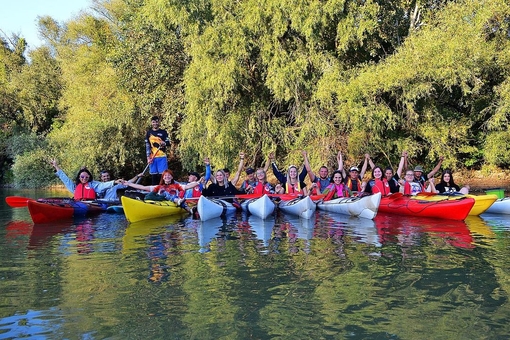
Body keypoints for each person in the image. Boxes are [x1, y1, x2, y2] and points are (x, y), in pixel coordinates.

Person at [122, 169, 200, 212]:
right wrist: (128, 184)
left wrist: (198, 182)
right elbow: (143, 187)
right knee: (153, 193)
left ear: (172, 177)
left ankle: (182, 204)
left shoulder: (177, 186)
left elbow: (187, 186)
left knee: (165, 193)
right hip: (160, 200)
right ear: (163, 178)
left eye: (169, 175)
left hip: (170, 202)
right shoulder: (159, 187)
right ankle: (180, 203)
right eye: (165, 176)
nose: (167, 177)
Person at [50, 159, 121, 200]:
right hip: (78, 204)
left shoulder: (93, 185)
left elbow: (102, 186)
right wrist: (56, 166)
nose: (84, 179)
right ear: (79, 177)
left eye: (86, 177)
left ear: (89, 177)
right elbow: (65, 179)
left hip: (91, 204)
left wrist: (114, 182)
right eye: (82, 177)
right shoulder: (75, 187)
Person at [145, 116, 170, 185]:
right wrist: (148, 157)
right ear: (151, 123)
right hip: (152, 157)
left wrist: (164, 143)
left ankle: (163, 189)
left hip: (161, 156)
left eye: (156, 122)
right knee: (154, 175)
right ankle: (154, 190)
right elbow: (147, 145)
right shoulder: (148, 133)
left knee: (163, 175)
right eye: (153, 122)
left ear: (158, 122)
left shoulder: (163, 132)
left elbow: (168, 142)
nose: (155, 123)